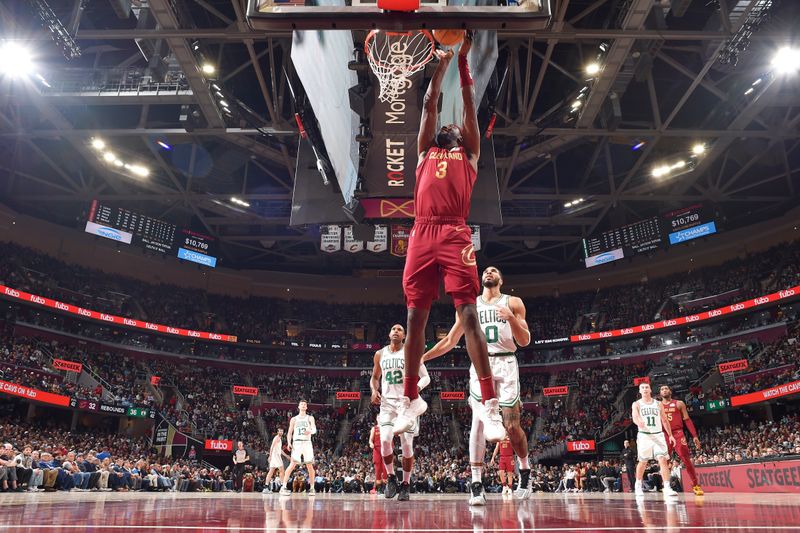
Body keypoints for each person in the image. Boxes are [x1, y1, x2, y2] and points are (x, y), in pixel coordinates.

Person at [393, 29, 504, 447]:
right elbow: (428, 104)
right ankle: (409, 398)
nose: (450, 126)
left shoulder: (469, 152)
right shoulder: (425, 151)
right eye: (446, 124)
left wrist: (462, 61)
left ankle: (490, 404)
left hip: (455, 231)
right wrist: (440, 66)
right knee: (414, 318)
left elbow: (470, 105)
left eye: (455, 126)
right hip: (422, 230)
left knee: (469, 315)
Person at [423, 266, 531, 504]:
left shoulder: (513, 302)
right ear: (481, 279)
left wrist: (512, 319)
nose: (489, 272)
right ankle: (476, 484)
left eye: (494, 271)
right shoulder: (469, 305)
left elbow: (524, 340)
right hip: (480, 365)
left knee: (512, 427)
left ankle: (525, 469)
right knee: (479, 423)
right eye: (486, 271)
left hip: (506, 363)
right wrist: (422, 357)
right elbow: (451, 340)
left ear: (501, 279)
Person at [370, 324, 431, 502]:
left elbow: (426, 377)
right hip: (387, 405)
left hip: (406, 405)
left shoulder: (411, 353)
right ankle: (390, 479)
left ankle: (405, 484)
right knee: (386, 441)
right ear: (389, 334)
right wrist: (374, 390)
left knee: (406, 446)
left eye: (400, 329)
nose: (396, 331)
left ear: (404, 336)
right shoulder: (380, 354)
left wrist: (416, 388)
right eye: (393, 329)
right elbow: (375, 377)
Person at [632, 383, 678, 498]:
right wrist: (639, 422)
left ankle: (667, 487)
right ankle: (638, 485)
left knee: (662, 459)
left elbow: (664, 420)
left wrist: (670, 435)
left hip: (658, 435)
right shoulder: (637, 404)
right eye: (642, 388)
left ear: (650, 390)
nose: (645, 389)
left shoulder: (658, 404)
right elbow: (635, 417)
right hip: (644, 435)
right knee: (643, 462)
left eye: (647, 387)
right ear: (640, 391)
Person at [659, 384, 704, 496]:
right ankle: (666, 486)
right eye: (662, 389)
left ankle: (696, 485)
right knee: (665, 462)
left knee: (686, 460)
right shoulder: (657, 405)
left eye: (666, 388)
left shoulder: (679, 403)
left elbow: (687, 420)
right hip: (664, 434)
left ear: (670, 391)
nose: (664, 390)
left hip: (678, 433)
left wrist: (694, 436)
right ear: (660, 393)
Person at [280, 400, 317, 496]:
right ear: (299, 406)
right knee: (292, 465)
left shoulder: (310, 418)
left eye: (305, 404)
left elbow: (314, 429)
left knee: (309, 466)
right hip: (297, 443)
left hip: (307, 443)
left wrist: (310, 431)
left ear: (307, 407)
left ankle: (312, 488)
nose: (304, 405)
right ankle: (283, 487)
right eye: (302, 404)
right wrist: (288, 442)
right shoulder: (294, 419)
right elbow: (289, 432)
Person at [263, 428, 289, 494]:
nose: (281, 432)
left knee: (271, 471)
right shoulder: (277, 438)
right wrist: (270, 456)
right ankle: (282, 487)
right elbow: (272, 446)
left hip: (275, 456)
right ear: (277, 432)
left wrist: (286, 456)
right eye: (280, 431)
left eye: (282, 431)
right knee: (282, 470)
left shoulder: (279, 439)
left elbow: (280, 450)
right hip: (276, 456)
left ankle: (266, 487)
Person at [369, 423, 387, 495]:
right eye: (378, 417)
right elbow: (370, 440)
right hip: (377, 449)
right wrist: (371, 443)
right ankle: (379, 488)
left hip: (385, 448)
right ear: (377, 418)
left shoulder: (386, 427)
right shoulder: (374, 428)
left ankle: (385, 487)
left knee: (385, 468)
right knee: (378, 469)